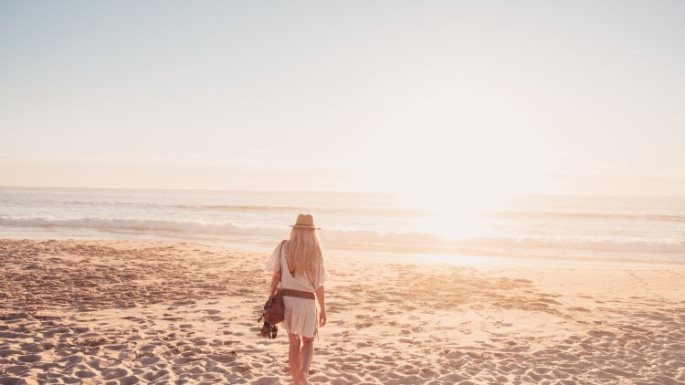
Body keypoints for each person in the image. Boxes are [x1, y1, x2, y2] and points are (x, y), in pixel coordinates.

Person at [265, 213, 327, 385]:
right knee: (308, 340)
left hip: (287, 301)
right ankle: (303, 374)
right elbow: (319, 284)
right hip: (306, 301)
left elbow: (276, 276)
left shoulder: (284, 246)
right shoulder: (315, 251)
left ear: (295, 230)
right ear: (312, 231)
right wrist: (323, 308)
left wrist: (271, 298)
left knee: (293, 342)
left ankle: (296, 380)